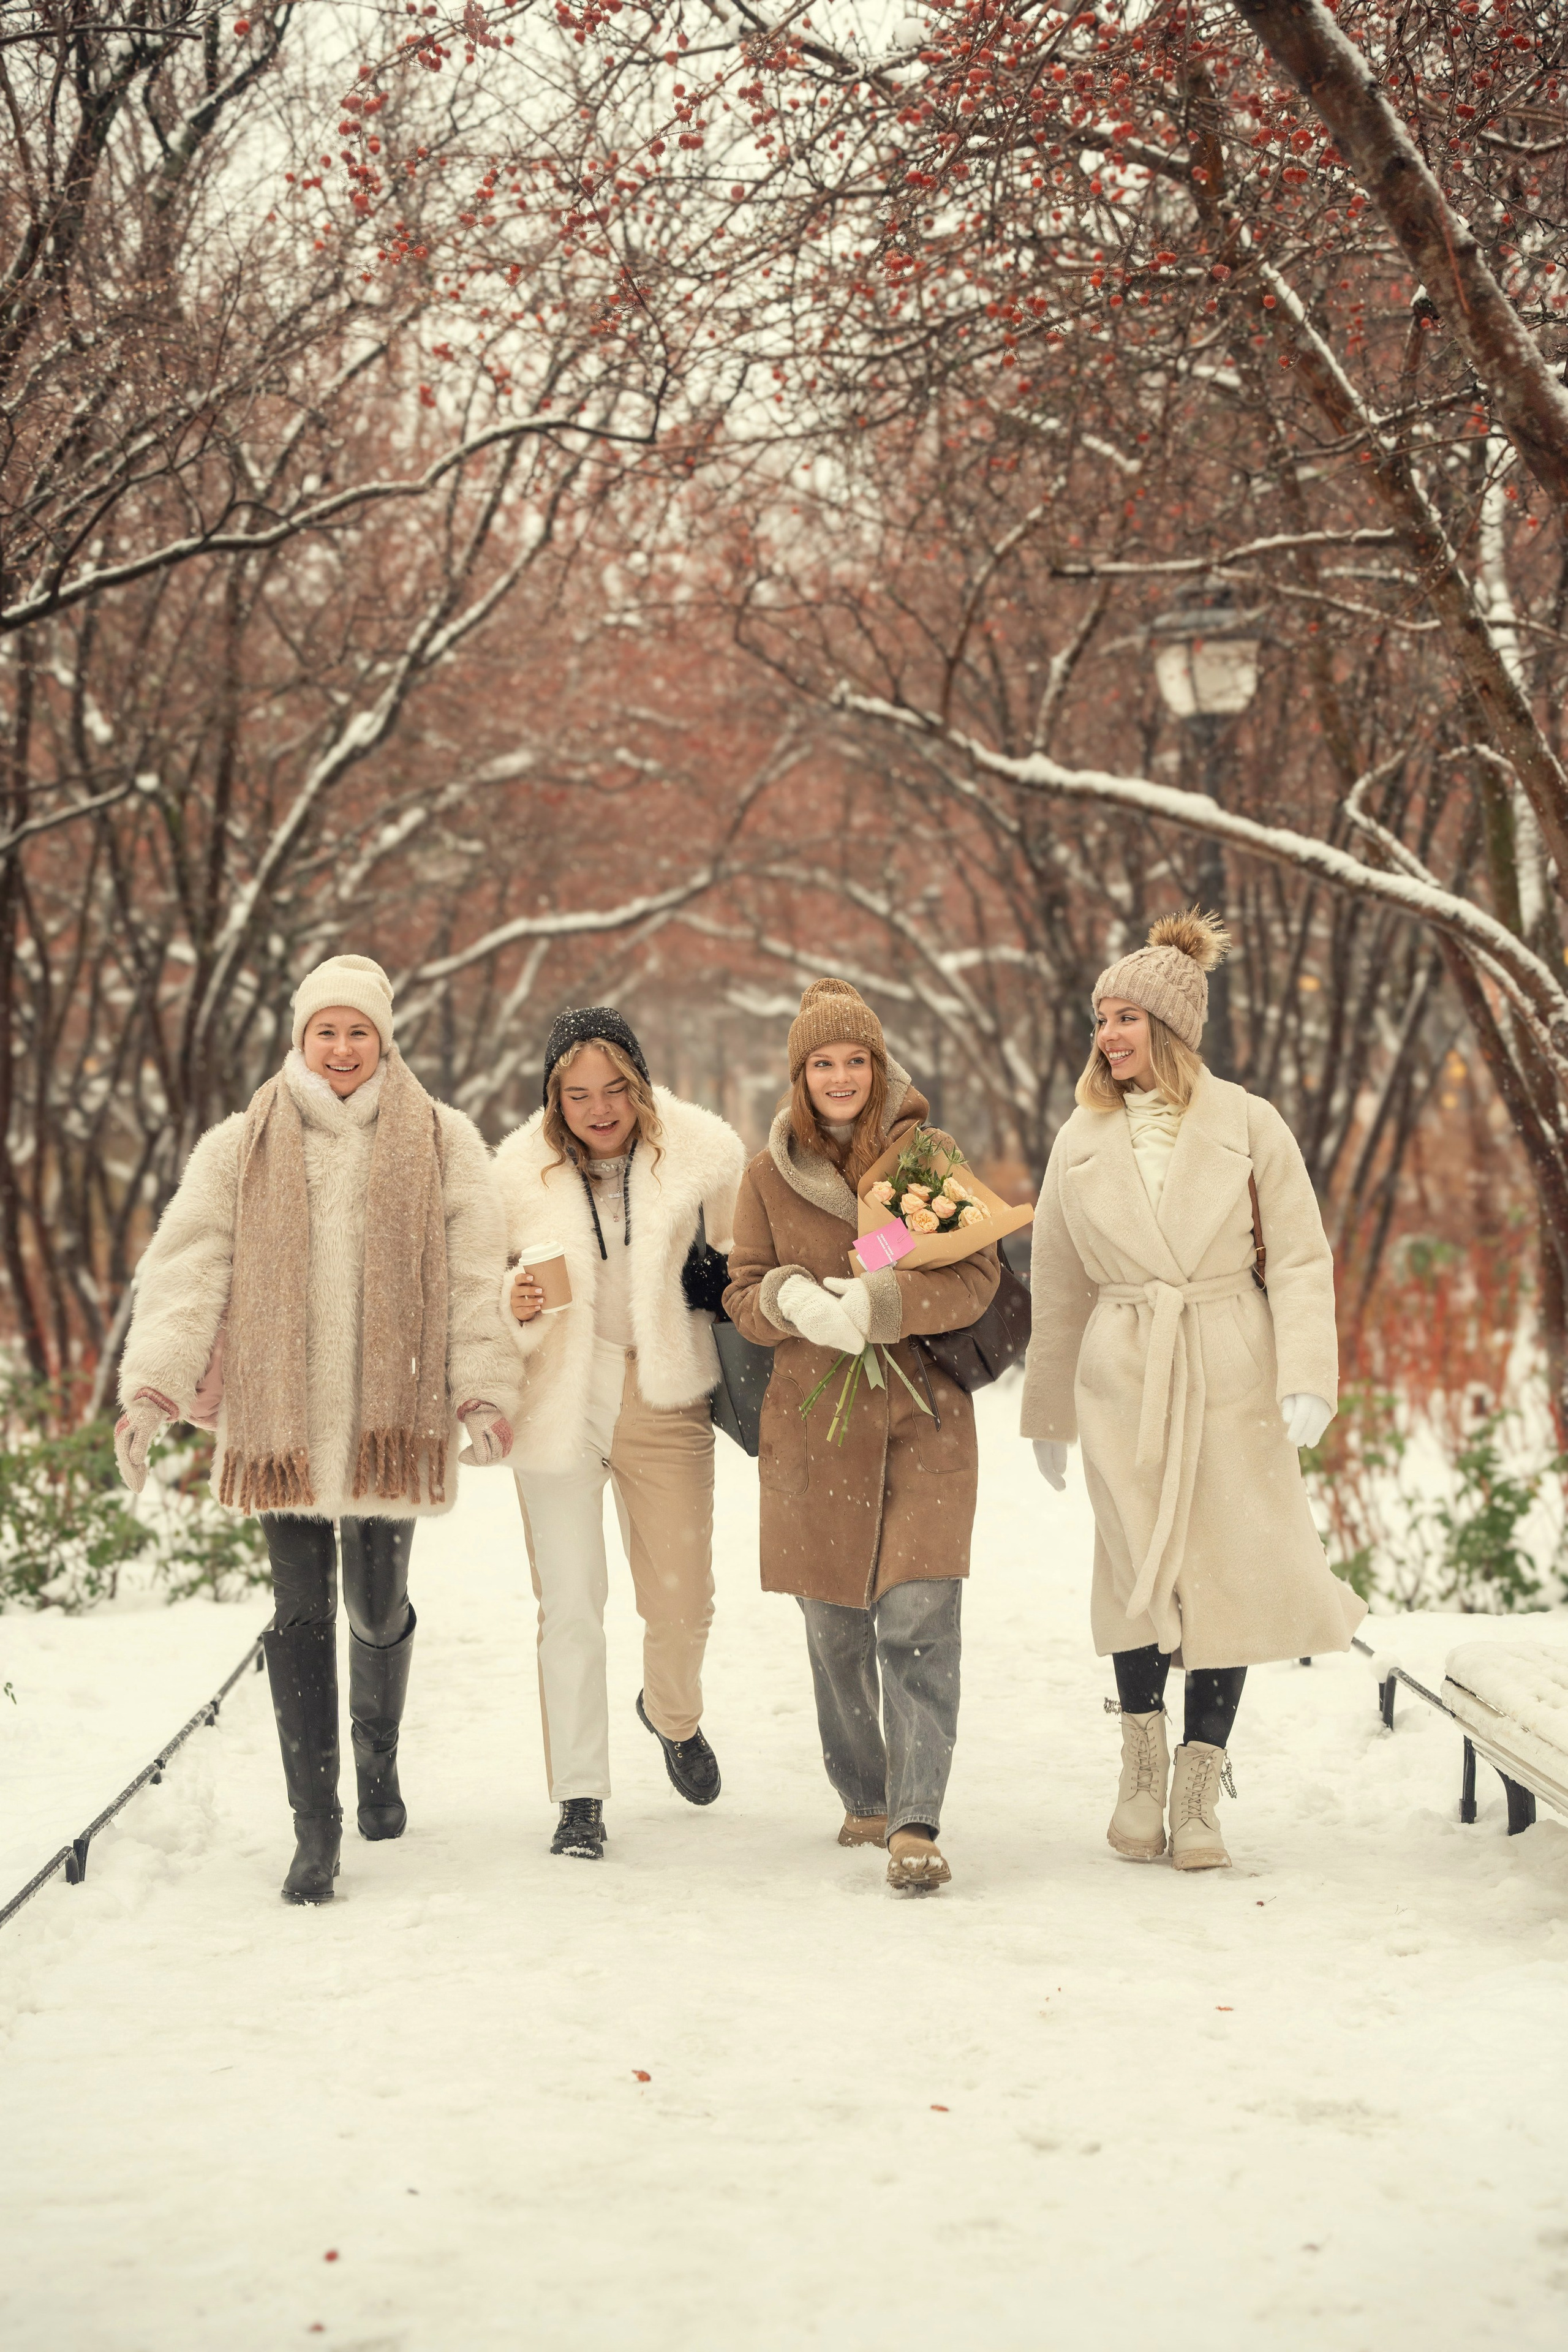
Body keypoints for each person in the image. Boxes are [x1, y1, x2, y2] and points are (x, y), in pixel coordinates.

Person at [115, 954, 518, 1904]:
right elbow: (186, 1267)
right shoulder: (240, 1143)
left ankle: (376, 1764)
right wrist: (153, 1387)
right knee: (298, 1614)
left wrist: (485, 1390)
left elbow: (474, 1273)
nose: (341, 1048)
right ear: (300, 1038)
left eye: (358, 1032)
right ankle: (317, 1829)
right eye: (324, 1031)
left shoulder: (442, 1139)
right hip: (281, 1419)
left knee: (376, 1609)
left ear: (385, 1040)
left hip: (391, 1412)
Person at [1020, 911, 1366, 1870]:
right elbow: (1058, 1279)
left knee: (1226, 1571)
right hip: (1126, 1364)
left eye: (1127, 1016)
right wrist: (1048, 1411)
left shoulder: (1251, 1125)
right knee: (1134, 1568)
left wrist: (1306, 1377)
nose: (1109, 1034)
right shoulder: (1079, 1137)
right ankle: (1140, 1763)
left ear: (1170, 1026)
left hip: (1230, 1362)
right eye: (1101, 1017)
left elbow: (1301, 1258)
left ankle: (1200, 1784)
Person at [723, 978, 1000, 1895]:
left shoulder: (927, 1157)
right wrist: (787, 1298)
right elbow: (740, 1291)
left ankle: (917, 1819)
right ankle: (866, 1792)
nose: (841, 1076)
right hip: (815, 1424)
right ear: (800, 1076)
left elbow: (976, 1279)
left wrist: (880, 1300)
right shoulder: (766, 1177)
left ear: (878, 1069)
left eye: (855, 1060)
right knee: (835, 1629)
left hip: (923, 1420)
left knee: (921, 1614)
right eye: (823, 1063)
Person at [496, 1008, 745, 1861]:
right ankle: (579, 1797)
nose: (599, 1108)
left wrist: (721, 1279)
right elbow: (481, 1297)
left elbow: (760, 1259)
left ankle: (671, 1714)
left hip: (662, 1387)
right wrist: (511, 1305)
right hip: (558, 1394)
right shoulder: (512, 1176)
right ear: (552, 1100)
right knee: (569, 1605)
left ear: (640, 1084)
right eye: (577, 1093)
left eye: (615, 1089)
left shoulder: (705, 1154)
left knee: (681, 1600)